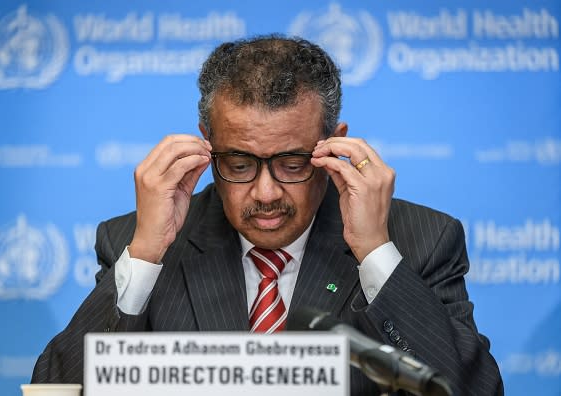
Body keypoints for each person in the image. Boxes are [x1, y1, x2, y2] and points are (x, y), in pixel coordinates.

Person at [32, 35, 503, 395]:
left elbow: (474, 389)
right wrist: (145, 255)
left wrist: (374, 252)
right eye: (238, 164)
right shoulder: (137, 243)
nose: (266, 192)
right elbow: (62, 386)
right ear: (206, 146)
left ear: (333, 144)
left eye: (292, 163)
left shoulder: (420, 239)